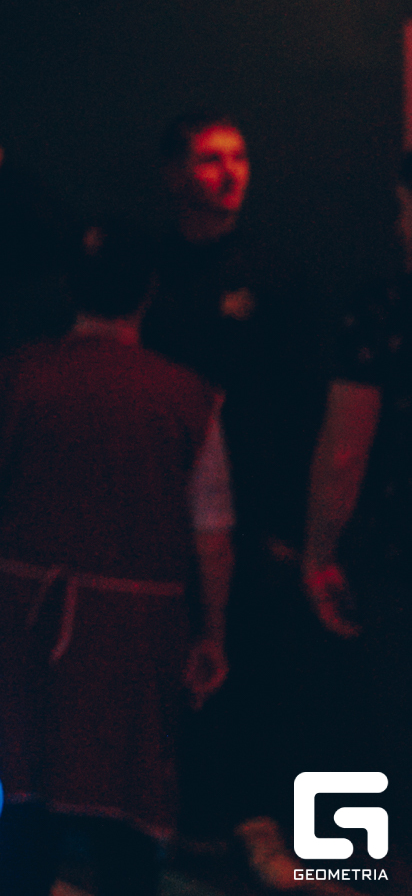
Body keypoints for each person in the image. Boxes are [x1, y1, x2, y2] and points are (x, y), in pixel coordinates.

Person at [0, 224, 232, 896]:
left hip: (23, 616)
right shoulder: (185, 395)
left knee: (23, 797)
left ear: (69, 289)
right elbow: (212, 529)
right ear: (148, 294)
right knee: (128, 808)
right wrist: (212, 632)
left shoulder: (13, 378)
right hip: (137, 630)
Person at [138, 113, 327, 880]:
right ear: (174, 172)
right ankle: (171, 822)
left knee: (251, 663)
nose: (230, 171)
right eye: (211, 158)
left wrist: (289, 523)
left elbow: (305, 403)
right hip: (157, 508)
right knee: (163, 660)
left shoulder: (274, 273)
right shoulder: (151, 273)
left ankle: (253, 822)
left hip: (250, 509)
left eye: (240, 156)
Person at [299, 154, 412, 824]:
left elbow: (347, 449)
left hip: (396, 550)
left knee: (390, 722)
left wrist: (319, 553)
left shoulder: (383, 310)